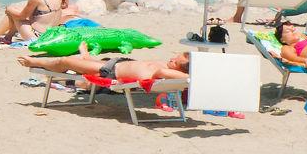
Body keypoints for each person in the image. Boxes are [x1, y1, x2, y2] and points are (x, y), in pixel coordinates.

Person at [19, 49, 191, 84]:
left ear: (179, 70)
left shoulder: (166, 72)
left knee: (65, 60)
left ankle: (34, 62)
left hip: (109, 72)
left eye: (175, 61)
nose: (171, 59)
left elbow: (187, 77)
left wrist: (192, 76)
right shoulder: (169, 68)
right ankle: (86, 57)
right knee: (77, 59)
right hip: (117, 64)